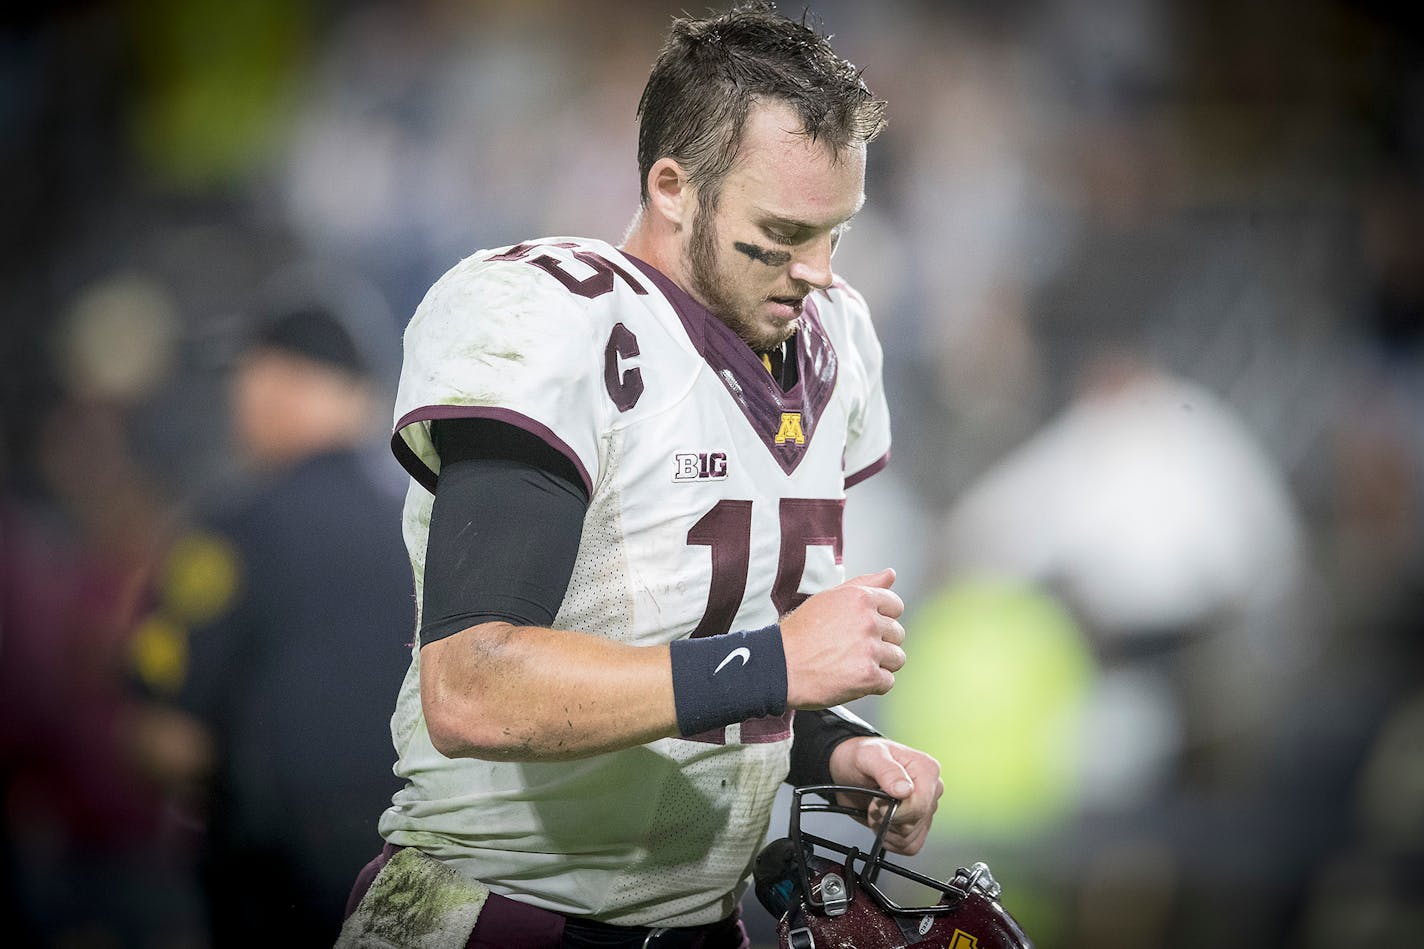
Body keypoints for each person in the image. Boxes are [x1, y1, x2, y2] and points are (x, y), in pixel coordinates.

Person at [340, 4, 943, 947]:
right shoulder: (556, 321)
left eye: (838, 232)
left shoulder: (837, 344)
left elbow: (700, 653)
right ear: (673, 186)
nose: (819, 273)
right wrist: (781, 662)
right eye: (782, 232)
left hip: (700, 924)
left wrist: (833, 744)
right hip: (504, 916)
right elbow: (471, 684)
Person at [128, 293, 415, 946]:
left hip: (274, 888)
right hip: (426, 877)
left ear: (279, 386)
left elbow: (166, 734)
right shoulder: (431, 525)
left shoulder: (232, 532)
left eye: (256, 374)